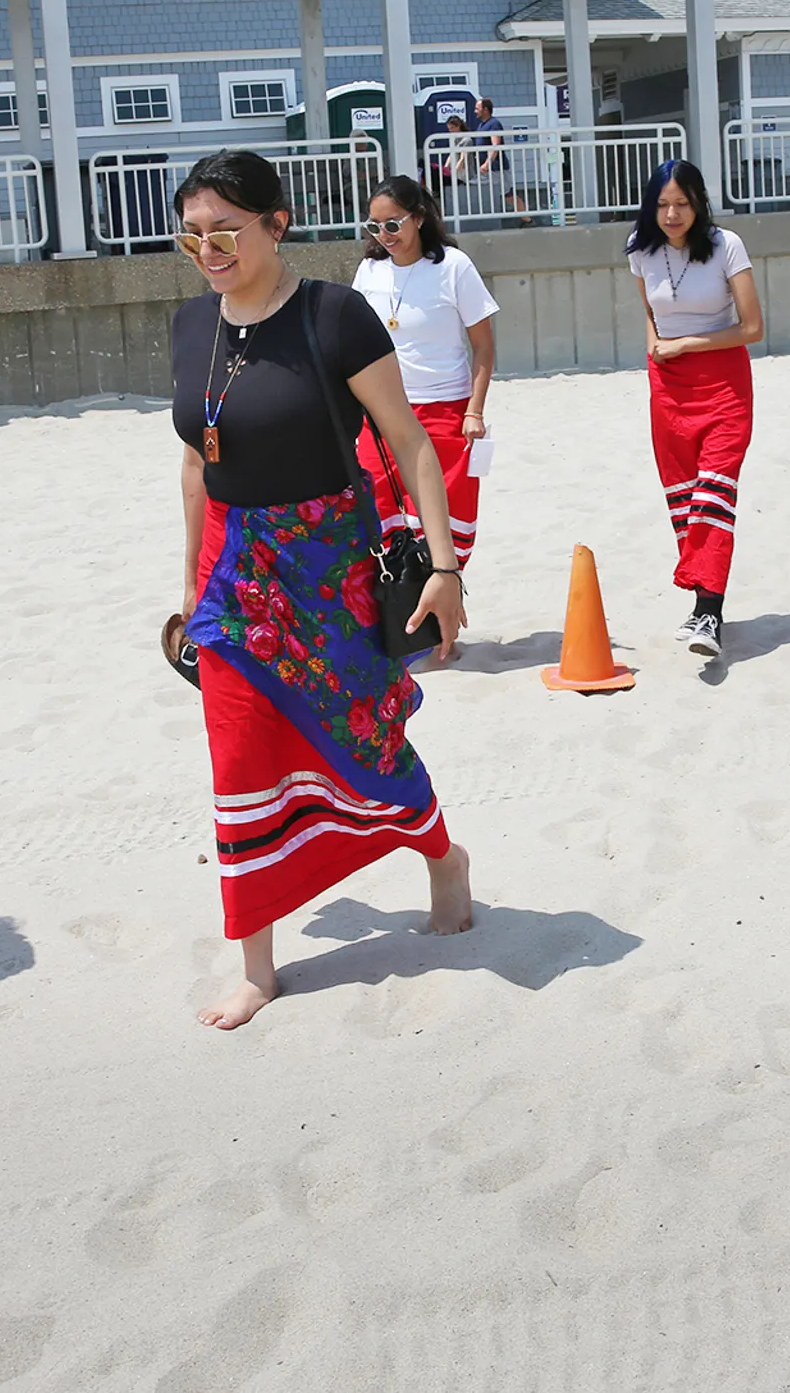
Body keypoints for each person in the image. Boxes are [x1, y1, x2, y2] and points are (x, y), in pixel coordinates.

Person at [171, 150, 474, 1030]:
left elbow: (412, 444)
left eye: (225, 229)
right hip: (232, 577)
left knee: (366, 740)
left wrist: (447, 567)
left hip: (329, 569)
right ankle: (257, 966)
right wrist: (188, 590)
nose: (209, 249)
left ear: (277, 222)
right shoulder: (192, 328)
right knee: (238, 759)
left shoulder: (335, 317)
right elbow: (195, 464)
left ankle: (441, 857)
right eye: (192, 236)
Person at [627, 157, 763, 658]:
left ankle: (709, 610)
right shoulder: (639, 251)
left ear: (700, 203)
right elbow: (649, 313)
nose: (672, 214)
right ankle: (705, 601)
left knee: (714, 495)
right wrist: (656, 353)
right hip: (668, 388)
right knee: (685, 502)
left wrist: (684, 345)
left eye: (682, 203)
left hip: (724, 385)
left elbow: (753, 327)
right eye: (662, 204)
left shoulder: (728, 247)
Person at [350, 175, 498, 574]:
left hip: (445, 413)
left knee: (438, 523)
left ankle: (440, 628)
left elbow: (483, 348)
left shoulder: (454, 267)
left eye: (393, 224)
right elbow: (353, 344)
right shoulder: (369, 271)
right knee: (376, 515)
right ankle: (399, 623)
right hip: (381, 414)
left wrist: (474, 411)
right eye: (374, 226)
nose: (384, 235)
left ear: (418, 218)